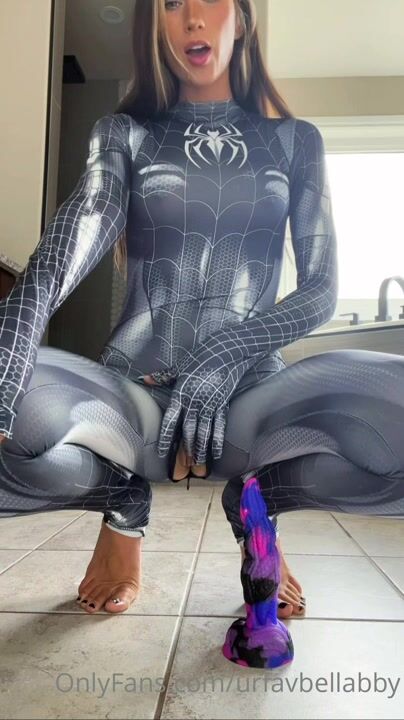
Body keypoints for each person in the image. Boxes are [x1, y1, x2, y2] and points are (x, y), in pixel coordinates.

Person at [0, 0, 403, 621]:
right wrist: (5, 373)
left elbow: (321, 287)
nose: (192, 17)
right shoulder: (123, 134)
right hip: (134, 402)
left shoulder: (295, 140)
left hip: (253, 402)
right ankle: (122, 501)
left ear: (241, 17)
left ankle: (258, 500)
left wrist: (222, 355)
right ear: (155, 23)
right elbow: (62, 254)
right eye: (171, 2)